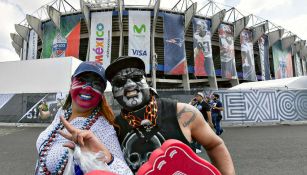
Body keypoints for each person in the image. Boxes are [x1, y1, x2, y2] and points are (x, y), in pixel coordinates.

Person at [105, 56, 235, 174]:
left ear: (147, 82)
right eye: (120, 82)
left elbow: (214, 145)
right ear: (114, 94)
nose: (130, 85)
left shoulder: (183, 113)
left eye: (136, 77)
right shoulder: (113, 128)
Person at [35, 61, 132, 175]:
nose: (88, 87)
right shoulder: (63, 112)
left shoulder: (103, 129)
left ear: (102, 93)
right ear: (72, 81)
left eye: (96, 84)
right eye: (82, 80)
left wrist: (108, 158)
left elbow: (125, 173)